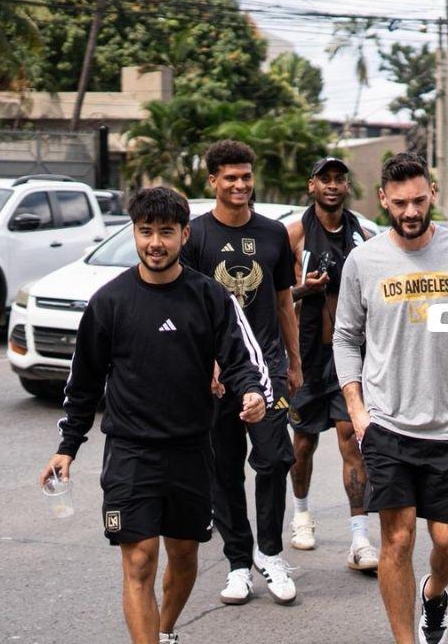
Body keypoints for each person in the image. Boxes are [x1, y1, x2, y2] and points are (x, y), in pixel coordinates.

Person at [38, 187, 270, 644]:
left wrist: (252, 392)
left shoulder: (209, 296)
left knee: (183, 557)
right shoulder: (110, 301)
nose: (155, 243)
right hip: (131, 452)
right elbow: (84, 382)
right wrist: (67, 447)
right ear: (134, 233)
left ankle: (164, 632)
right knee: (140, 559)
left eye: (166, 232)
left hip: (191, 450)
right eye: (146, 232)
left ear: (185, 234)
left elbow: (240, 358)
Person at [334, 152, 448, 644]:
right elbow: (345, 338)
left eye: (418, 200)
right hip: (387, 425)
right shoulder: (364, 261)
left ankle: (434, 594)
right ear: (383, 200)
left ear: (432, 192)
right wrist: (357, 409)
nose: (410, 211)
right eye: (399, 203)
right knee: (397, 539)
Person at [181, 140, 299, 606]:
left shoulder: (273, 233)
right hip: (216, 374)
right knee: (224, 468)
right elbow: (189, 309)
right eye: (230, 177)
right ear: (212, 181)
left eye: (246, 176)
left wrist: (294, 362)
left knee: (275, 458)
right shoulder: (195, 235)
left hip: (266, 367)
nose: (240, 184)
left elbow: (284, 301)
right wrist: (206, 362)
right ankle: (237, 563)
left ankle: (270, 553)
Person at [286, 156, 378, 571]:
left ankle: (360, 538)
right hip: (306, 356)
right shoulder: (294, 234)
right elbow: (277, 296)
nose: (333, 185)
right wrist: (304, 289)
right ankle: (301, 514)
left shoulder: (364, 237)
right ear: (312, 185)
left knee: (351, 439)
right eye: (325, 179)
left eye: (340, 179)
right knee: (303, 442)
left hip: (349, 356)